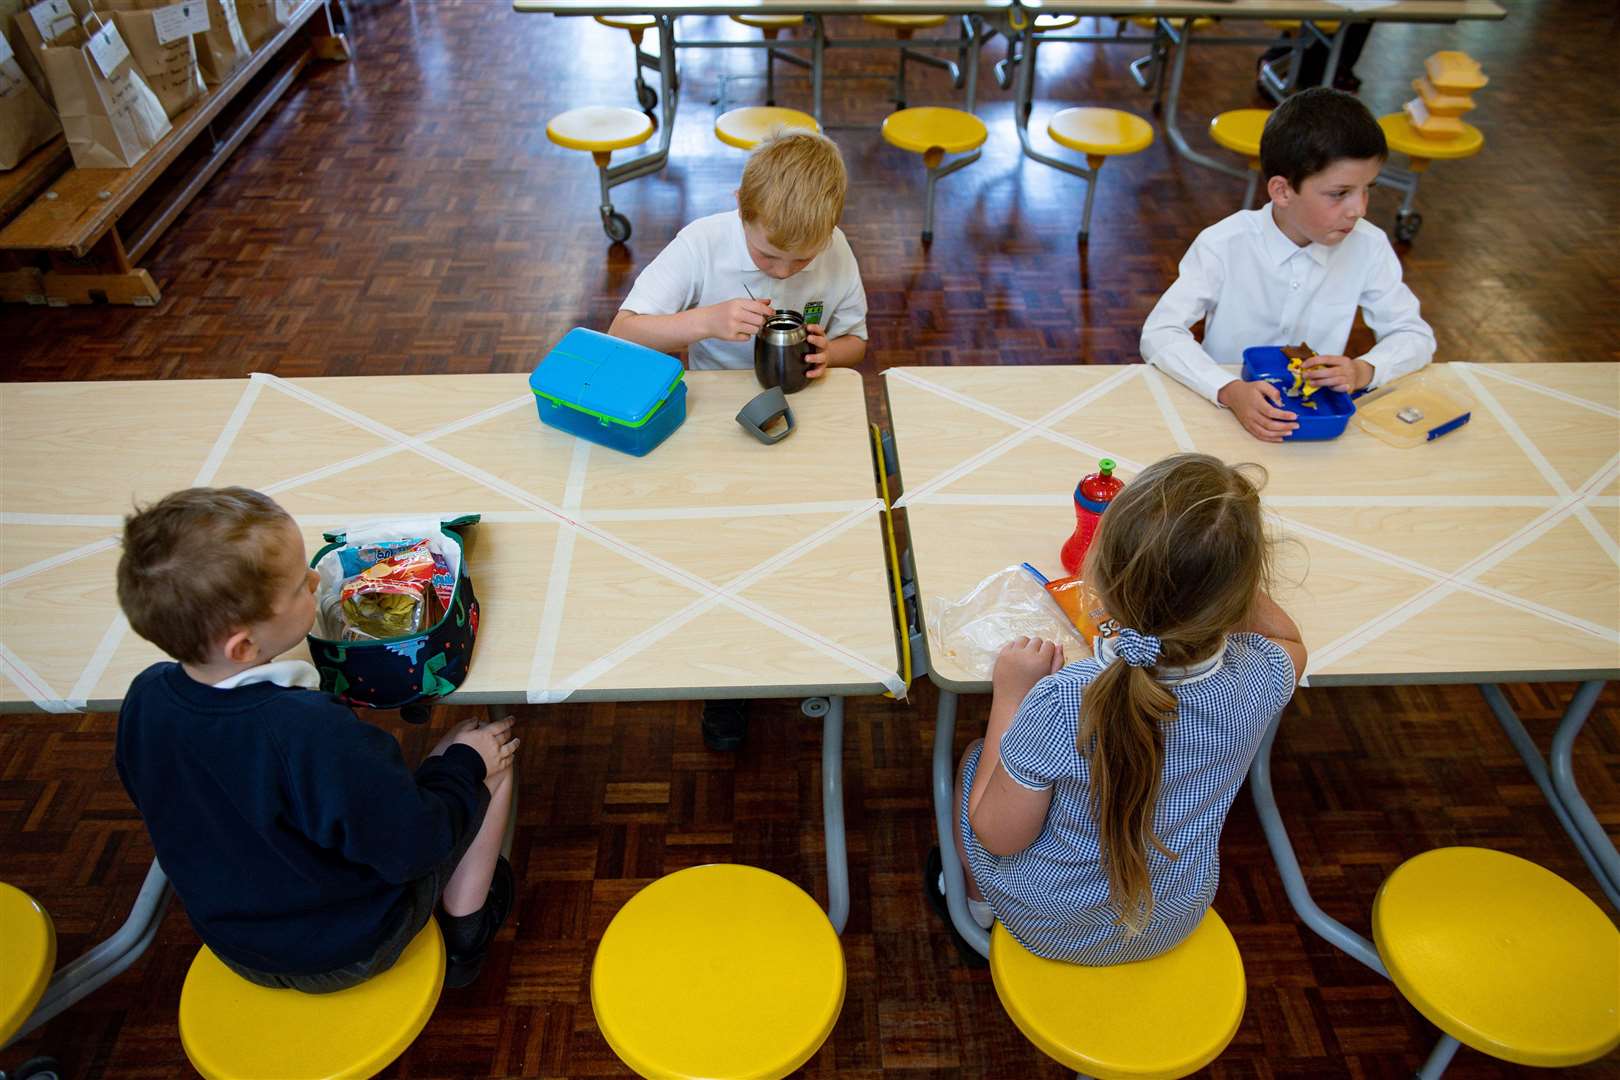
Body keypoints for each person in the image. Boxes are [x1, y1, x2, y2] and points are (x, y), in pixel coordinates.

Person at [115, 487, 518, 991]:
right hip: (347, 947)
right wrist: (464, 764)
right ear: (243, 646)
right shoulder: (310, 733)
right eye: (297, 586)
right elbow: (416, 845)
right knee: (484, 748)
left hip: (234, 943)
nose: (312, 579)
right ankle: (466, 938)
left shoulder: (145, 696)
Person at [930, 453, 1307, 966]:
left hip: (1050, 923)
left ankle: (975, 911)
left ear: (1101, 583)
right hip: (1173, 916)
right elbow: (1286, 637)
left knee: (977, 754)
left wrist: (1012, 697)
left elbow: (998, 836)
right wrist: (1221, 568)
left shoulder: (1061, 700)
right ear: (1239, 596)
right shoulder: (1261, 674)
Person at [610, 129, 868, 750]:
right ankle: (727, 686)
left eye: (799, 263)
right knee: (722, 552)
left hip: (801, 420)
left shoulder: (833, 248)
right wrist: (705, 321)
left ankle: (809, 649)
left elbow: (858, 342)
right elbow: (621, 332)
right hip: (713, 422)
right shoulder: (703, 242)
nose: (783, 274)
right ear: (741, 208)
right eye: (767, 257)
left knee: (805, 544)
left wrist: (831, 352)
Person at [1140, 87, 1436, 442]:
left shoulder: (1368, 246)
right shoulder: (1224, 244)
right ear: (1281, 191)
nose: (1359, 209)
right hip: (1222, 414)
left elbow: (1414, 335)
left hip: (1316, 423)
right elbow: (1160, 333)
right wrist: (1227, 388)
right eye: (1339, 193)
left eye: (1367, 188)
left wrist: (1365, 369)